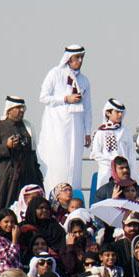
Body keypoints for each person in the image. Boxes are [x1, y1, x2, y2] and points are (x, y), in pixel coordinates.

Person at [38, 45, 92, 192]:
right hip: (57, 126)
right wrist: (65, 98)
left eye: (82, 57)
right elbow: (43, 97)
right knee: (58, 162)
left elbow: (87, 108)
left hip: (77, 127)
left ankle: (73, 198)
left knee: (74, 165)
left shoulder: (84, 81)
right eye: (77, 58)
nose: (80, 61)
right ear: (69, 58)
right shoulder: (55, 74)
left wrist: (88, 132)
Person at [0, 95, 43, 209]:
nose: (21, 111)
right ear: (9, 110)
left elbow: (32, 153)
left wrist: (37, 176)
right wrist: (6, 146)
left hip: (27, 175)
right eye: (18, 108)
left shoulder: (27, 127)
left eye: (23, 108)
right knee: (2, 207)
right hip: (6, 176)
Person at [90, 98, 136, 186]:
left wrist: (131, 171)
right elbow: (95, 153)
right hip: (107, 171)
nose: (120, 115)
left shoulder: (126, 131)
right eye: (117, 112)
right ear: (108, 113)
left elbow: (131, 153)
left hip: (124, 172)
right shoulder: (101, 132)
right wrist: (112, 162)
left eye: (121, 112)